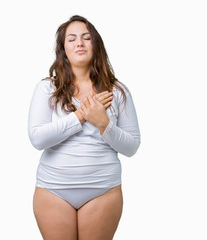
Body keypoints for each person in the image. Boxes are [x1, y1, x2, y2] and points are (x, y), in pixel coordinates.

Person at [28, 15, 141, 240]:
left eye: (86, 37)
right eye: (72, 39)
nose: (79, 43)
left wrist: (103, 123)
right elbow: (37, 138)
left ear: (95, 45)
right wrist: (80, 116)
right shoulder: (46, 89)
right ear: (63, 49)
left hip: (103, 192)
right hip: (53, 191)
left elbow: (132, 147)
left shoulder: (117, 91)